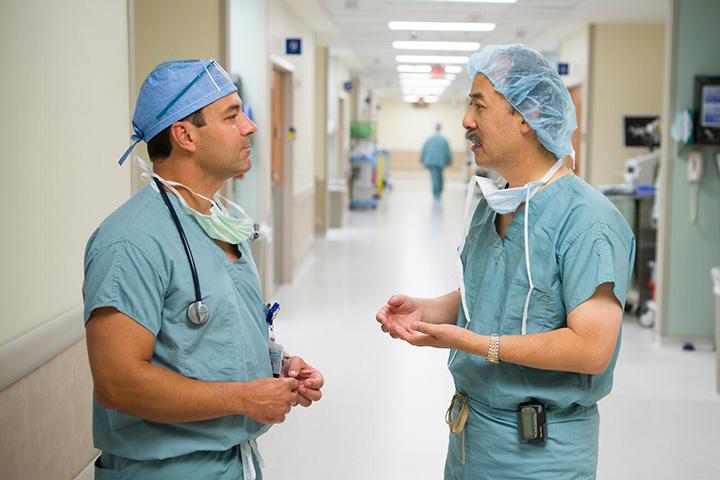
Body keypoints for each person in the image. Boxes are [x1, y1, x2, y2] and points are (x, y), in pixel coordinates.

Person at [376, 44, 635, 479]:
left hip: (540, 451)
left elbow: (592, 349)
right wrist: (427, 312)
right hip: (471, 439)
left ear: (527, 117)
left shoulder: (587, 221)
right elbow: (498, 295)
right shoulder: (495, 205)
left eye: (479, 104)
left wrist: (477, 344)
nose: (467, 120)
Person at [83, 59, 324, 480]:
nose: (250, 126)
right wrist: (245, 398)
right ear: (184, 135)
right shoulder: (131, 242)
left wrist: (277, 364)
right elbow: (118, 384)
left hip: (228, 462)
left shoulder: (222, 223)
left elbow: (213, 338)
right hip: (162, 469)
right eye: (232, 115)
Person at [421, 122, 453, 201]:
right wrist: (449, 159)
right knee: (438, 177)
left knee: (435, 177)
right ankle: (437, 193)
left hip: (430, 161)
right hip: (440, 162)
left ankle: (437, 193)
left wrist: (422, 158)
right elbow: (447, 151)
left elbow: (424, 150)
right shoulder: (443, 140)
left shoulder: (429, 139)